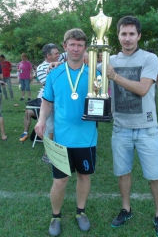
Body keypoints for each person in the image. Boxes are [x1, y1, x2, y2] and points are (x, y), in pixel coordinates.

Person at [103, 16, 158, 237]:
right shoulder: (109, 59)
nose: (128, 38)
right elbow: (86, 67)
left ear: (139, 36)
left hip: (147, 129)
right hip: (120, 128)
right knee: (123, 173)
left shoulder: (150, 58)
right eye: (124, 34)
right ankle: (126, 208)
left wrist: (115, 76)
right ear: (118, 36)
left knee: (155, 176)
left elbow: (142, 89)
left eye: (132, 34)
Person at [34, 29, 98, 236]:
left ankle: (81, 212)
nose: (76, 48)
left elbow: (103, 100)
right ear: (65, 46)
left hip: (87, 138)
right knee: (60, 181)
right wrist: (42, 120)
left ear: (85, 48)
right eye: (72, 44)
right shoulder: (55, 74)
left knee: (84, 177)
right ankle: (56, 216)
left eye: (80, 45)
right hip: (61, 139)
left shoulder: (95, 74)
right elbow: (47, 101)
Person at [20, 43, 59, 164]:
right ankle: (48, 153)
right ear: (48, 55)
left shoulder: (59, 63)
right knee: (50, 125)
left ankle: (59, 149)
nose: (59, 55)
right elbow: (50, 85)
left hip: (61, 101)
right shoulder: (42, 68)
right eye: (56, 53)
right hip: (49, 101)